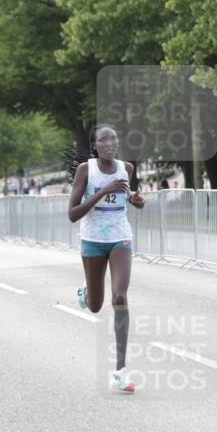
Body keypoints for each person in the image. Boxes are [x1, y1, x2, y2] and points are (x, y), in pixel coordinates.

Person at [68, 124, 145, 393]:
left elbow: (125, 197)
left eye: (114, 138)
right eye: (104, 139)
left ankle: (121, 370)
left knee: (120, 297)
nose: (111, 142)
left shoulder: (127, 168)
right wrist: (102, 190)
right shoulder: (86, 171)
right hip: (92, 241)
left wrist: (136, 200)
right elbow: (73, 214)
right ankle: (87, 291)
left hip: (120, 237)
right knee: (96, 306)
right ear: (95, 146)